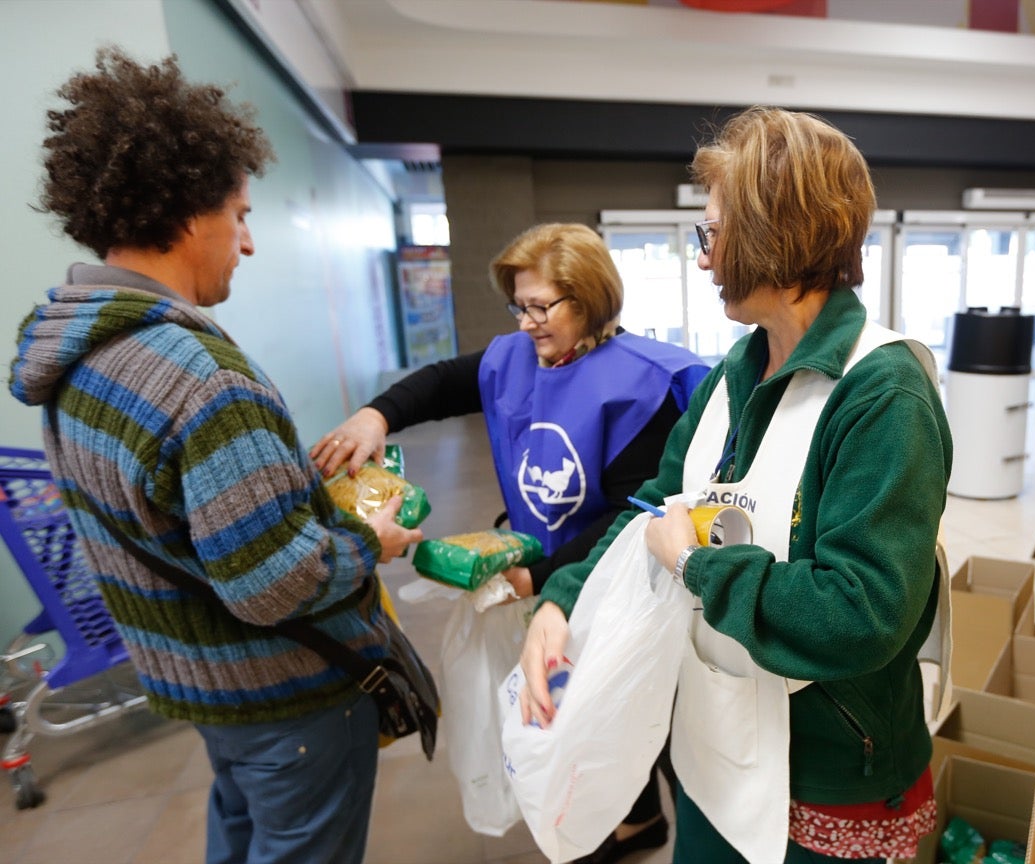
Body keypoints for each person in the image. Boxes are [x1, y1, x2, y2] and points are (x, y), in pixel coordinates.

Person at [9, 47, 422, 864]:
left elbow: (155, 507)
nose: (248, 242)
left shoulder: (74, 356)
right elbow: (275, 585)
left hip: (199, 684)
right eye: (242, 215)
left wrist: (274, 482)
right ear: (192, 214)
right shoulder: (200, 379)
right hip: (286, 697)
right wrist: (372, 542)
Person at [519, 107, 953, 864]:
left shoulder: (882, 397)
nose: (704, 260)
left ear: (773, 232)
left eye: (711, 234)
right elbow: (658, 505)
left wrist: (696, 564)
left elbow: (862, 611)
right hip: (717, 734)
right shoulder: (732, 375)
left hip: (826, 767)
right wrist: (562, 598)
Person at [312, 222, 711, 863]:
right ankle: (635, 822)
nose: (525, 322)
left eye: (541, 306)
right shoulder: (518, 358)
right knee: (575, 697)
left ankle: (683, 832)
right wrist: (375, 416)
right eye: (518, 305)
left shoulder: (640, 385)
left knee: (647, 712)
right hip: (545, 569)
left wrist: (543, 575)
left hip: (620, 575)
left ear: (591, 300)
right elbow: (443, 382)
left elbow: (629, 516)